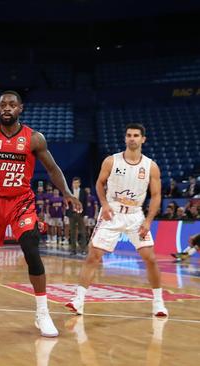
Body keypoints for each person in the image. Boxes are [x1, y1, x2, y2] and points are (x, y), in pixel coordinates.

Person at [0, 90, 82, 337]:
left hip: (21, 202)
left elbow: (53, 169)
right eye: (2, 104)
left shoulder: (34, 139)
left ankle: (42, 313)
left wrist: (67, 192)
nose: (6, 108)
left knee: (31, 250)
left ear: (20, 109)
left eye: (12, 104)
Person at [66, 123, 168, 317]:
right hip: (112, 213)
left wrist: (148, 221)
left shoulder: (150, 166)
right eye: (129, 135)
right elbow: (99, 183)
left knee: (151, 259)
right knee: (93, 256)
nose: (132, 138)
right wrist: (104, 204)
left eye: (136, 135)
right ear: (125, 138)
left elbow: (156, 196)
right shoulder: (111, 161)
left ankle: (158, 303)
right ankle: (78, 300)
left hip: (135, 215)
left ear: (143, 139)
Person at [67, 177, 88, 255]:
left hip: (80, 214)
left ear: (79, 183)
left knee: (82, 232)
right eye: (74, 183)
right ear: (72, 184)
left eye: (77, 183)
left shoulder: (83, 192)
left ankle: (83, 249)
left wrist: (86, 215)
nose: (75, 184)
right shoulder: (69, 192)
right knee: (72, 232)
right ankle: (73, 249)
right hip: (71, 214)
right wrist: (66, 214)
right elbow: (66, 203)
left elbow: (85, 204)